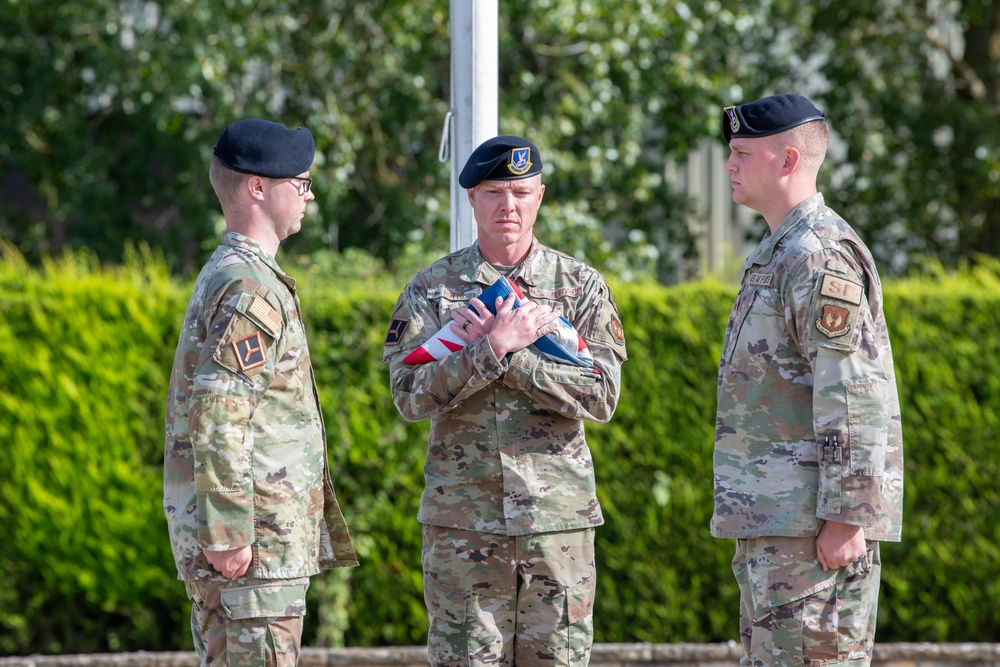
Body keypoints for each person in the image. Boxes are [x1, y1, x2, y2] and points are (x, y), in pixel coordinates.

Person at [382, 135, 628, 666]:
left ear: (540, 196)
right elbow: (407, 394)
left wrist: (515, 357)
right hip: (464, 524)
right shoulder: (433, 291)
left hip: (556, 523)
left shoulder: (579, 288)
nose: (507, 206)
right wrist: (488, 347)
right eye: (493, 192)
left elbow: (603, 395)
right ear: (471, 199)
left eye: (520, 192)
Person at [712, 94, 904, 666]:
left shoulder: (817, 255)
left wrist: (848, 516)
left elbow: (853, 394)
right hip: (779, 527)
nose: (729, 165)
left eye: (742, 153)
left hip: (811, 534)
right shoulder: (781, 252)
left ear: (788, 160)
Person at [163, 118, 358, 667]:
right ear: (257, 187)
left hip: (254, 552)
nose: (309, 194)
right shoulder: (250, 286)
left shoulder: (230, 273)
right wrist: (227, 533)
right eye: (301, 182)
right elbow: (220, 413)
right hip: (254, 556)